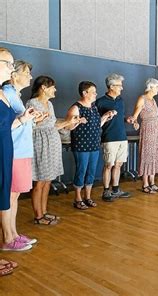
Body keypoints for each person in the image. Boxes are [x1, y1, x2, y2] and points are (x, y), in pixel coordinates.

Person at [26, 76, 80, 224]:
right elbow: (34, 125)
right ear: (43, 87)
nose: (55, 90)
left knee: (48, 180)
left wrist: (69, 123)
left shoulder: (49, 104)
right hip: (41, 144)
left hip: (52, 144)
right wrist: (67, 122)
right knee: (40, 181)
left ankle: (44, 212)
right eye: (53, 87)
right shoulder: (32, 103)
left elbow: (52, 124)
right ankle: (38, 216)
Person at [2, 60, 40, 251]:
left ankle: (14, 234)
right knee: (9, 196)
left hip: (22, 150)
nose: (30, 77)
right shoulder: (7, 94)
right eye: (27, 73)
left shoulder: (15, 95)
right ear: (14, 75)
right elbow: (8, 125)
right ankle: (8, 238)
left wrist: (31, 119)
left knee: (14, 195)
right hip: (14, 151)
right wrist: (25, 118)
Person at [0, 47, 32, 271]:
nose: (12, 69)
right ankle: (8, 239)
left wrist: (23, 119)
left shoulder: (3, 93)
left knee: (6, 197)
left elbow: (6, 126)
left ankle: (10, 237)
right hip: (5, 150)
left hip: (6, 149)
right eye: (8, 64)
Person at [65, 81, 116, 210]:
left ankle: (87, 197)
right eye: (93, 92)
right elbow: (68, 126)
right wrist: (76, 121)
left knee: (91, 172)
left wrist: (105, 116)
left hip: (94, 145)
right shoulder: (76, 108)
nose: (95, 94)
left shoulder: (94, 107)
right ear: (84, 93)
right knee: (81, 171)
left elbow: (96, 125)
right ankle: (78, 198)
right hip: (81, 146)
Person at [128, 79, 158, 193]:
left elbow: (156, 118)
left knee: (154, 155)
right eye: (157, 87)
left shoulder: (153, 100)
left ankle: (152, 182)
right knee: (147, 155)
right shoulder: (142, 99)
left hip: (156, 131)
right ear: (151, 87)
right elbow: (135, 116)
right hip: (148, 130)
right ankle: (145, 184)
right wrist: (135, 122)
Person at [95, 73, 133, 201]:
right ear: (111, 86)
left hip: (122, 137)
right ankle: (106, 192)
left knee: (118, 164)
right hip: (109, 138)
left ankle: (115, 190)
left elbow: (119, 118)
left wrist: (126, 119)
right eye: (119, 86)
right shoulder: (100, 102)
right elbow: (96, 122)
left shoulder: (120, 100)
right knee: (108, 165)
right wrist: (106, 115)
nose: (122, 88)